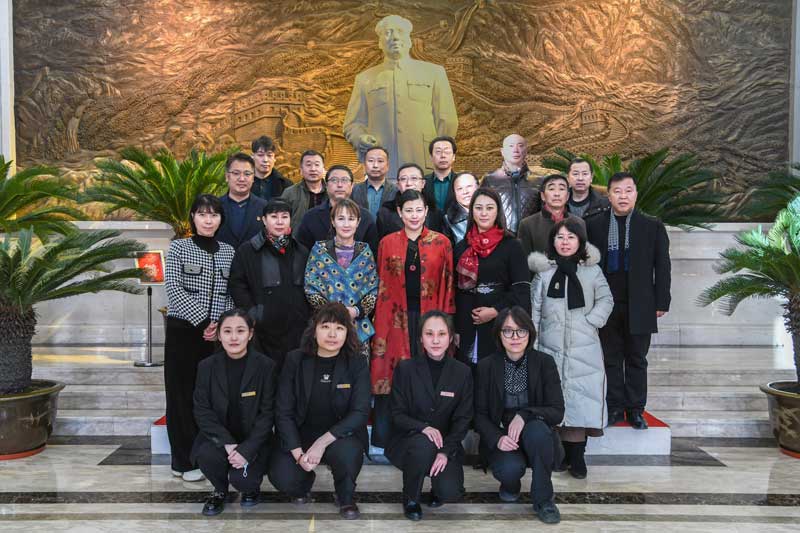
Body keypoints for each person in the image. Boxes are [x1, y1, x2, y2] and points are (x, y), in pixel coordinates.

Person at [585, 172, 671, 429]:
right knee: (610, 358)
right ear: (609, 195)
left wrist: (661, 301)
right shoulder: (594, 225)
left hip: (641, 303)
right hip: (605, 304)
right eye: (617, 191)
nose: (623, 196)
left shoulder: (652, 225)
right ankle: (614, 408)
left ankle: (635, 410)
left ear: (636, 194)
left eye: (628, 190)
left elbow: (662, 266)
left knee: (637, 359)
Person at [268, 303, 370, 520]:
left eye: (340, 328)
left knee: (348, 454)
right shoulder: (295, 359)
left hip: (339, 436)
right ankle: (304, 482)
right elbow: (283, 411)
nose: (332, 334)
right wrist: (298, 453)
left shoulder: (357, 362)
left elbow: (360, 412)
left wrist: (321, 443)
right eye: (325, 327)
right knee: (282, 477)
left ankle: (345, 495)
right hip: (302, 434)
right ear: (314, 331)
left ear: (348, 333)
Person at [529, 219, 613, 479]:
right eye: (560, 237)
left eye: (571, 237)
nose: (565, 242)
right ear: (552, 241)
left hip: (584, 349)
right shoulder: (544, 274)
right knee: (554, 401)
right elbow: (534, 311)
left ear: (580, 241)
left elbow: (606, 300)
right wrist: (533, 343)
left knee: (580, 402)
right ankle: (559, 455)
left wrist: (591, 322)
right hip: (550, 348)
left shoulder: (592, 271)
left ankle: (578, 458)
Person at [371, 189, 455, 447]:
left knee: (428, 373)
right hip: (394, 317)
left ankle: (429, 437)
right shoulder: (387, 243)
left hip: (431, 316)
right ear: (399, 212)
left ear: (426, 211)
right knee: (391, 374)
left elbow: (448, 284)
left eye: (419, 210)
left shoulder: (442, 242)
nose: (414, 215)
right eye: (408, 210)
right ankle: (386, 440)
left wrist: (447, 323)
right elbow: (381, 284)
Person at [164, 194, 235, 482]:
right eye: (203, 214)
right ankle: (182, 461)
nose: (208, 220)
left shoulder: (229, 251)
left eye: (214, 215)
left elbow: (231, 293)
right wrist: (203, 322)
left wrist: (219, 324)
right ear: (193, 217)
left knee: (207, 398)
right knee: (180, 396)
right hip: (183, 333)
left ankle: (204, 455)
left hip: (215, 337)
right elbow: (174, 288)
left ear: (221, 219)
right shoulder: (178, 247)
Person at [474, 306, 565, 524]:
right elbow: (478, 414)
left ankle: (544, 500)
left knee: (538, 431)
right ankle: (510, 484)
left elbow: (557, 411)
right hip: (504, 435)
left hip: (535, 433)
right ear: (499, 334)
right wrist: (497, 438)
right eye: (508, 331)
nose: (515, 337)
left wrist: (525, 414)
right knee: (509, 468)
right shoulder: (486, 366)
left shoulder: (544, 363)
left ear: (530, 333)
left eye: (521, 330)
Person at [343, 14, 458, 182]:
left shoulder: (434, 73)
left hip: (424, 169)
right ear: (380, 42)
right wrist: (361, 139)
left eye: (400, 31)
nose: (395, 37)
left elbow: (447, 119)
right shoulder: (365, 79)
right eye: (388, 32)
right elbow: (353, 124)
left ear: (409, 40)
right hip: (383, 170)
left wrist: (439, 159)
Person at [386, 311, 473, 521]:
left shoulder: (462, 372)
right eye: (429, 334)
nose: (435, 340)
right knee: (423, 445)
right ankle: (411, 498)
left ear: (450, 338)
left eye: (441, 334)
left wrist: (445, 452)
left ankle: (437, 487)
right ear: (421, 338)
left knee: (450, 492)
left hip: (446, 443)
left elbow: (463, 420)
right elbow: (397, 414)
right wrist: (423, 428)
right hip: (410, 441)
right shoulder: (405, 369)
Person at [192, 309, 276, 516]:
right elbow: (202, 410)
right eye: (227, 331)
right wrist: (227, 443)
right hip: (221, 438)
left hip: (254, 439)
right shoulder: (206, 367)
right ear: (219, 335)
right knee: (206, 454)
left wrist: (246, 450)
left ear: (250, 334)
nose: (234, 337)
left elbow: (268, 414)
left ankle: (251, 488)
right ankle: (220, 490)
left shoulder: (266, 366)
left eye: (240, 330)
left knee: (244, 481)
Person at [229, 199, 311, 371]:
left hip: (297, 330)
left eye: (284, 217)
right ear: (264, 220)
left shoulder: (301, 251)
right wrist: (254, 314)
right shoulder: (248, 251)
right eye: (274, 217)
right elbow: (237, 285)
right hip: (263, 332)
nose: (279, 222)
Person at [454, 188, 530, 366]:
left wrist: (495, 311)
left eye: (489, 208)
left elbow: (521, 289)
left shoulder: (512, 245)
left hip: (502, 322)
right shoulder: (462, 247)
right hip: (466, 323)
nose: (484, 213)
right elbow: (455, 292)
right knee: (468, 374)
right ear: (472, 211)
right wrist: (455, 328)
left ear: (498, 211)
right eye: (478, 208)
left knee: (496, 373)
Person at [304, 198, 379, 352]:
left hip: (358, 327)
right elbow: (311, 288)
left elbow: (372, 289)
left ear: (358, 222)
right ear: (333, 221)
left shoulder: (365, 252)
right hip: (327, 325)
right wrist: (334, 312)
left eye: (351, 219)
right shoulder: (320, 250)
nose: (346, 224)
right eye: (341, 218)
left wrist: (355, 311)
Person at [296, 165, 379, 255]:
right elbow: (301, 252)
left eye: (344, 180)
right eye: (334, 180)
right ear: (326, 185)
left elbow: (372, 253)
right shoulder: (311, 217)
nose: (339, 185)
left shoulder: (365, 217)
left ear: (352, 185)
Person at [482, 134, 542, 235]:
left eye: (520, 145)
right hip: (500, 238)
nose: (516, 150)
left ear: (526, 151)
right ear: (502, 152)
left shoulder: (539, 181)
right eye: (511, 146)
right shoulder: (490, 179)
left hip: (530, 238)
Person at [518, 174, 586, 259]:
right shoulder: (527, 224)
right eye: (551, 189)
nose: (557, 194)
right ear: (543, 196)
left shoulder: (579, 223)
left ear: (568, 196)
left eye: (561, 189)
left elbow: (583, 257)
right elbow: (523, 261)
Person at [376, 163, 447, 239]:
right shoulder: (386, 212)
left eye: (414, 178)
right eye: (403, 179)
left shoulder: (435, 212)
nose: (409, 183)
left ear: (423, 183)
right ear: (398, 185)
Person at [216, 153, 268, 249]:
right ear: (227, 176)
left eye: (247, 174)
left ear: (253, 177)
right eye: (236, 173)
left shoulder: (264, 207)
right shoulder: (215, 207)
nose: (242, 179)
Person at [281, 150, 327, 234]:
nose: (313, 169)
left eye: (317, 165)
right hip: (297, 240)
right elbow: (280, 220)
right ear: (301, 170)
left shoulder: (332, 192)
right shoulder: (290, 193)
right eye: (308, 165)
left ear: (323, 169)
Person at [351, 146, 397, 218]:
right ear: (364, 165)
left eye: (380, 161)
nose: (375, 165)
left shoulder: (396, 191)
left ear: (387, 166)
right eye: (371, 161)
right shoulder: (354, 190)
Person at [423, 136, 457, 212]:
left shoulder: (461, 182)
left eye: (447, 152)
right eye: (438, 152)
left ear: (453, 157)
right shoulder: (423, 182)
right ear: (431, 157)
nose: (443, 156)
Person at [443, 172, 477, 245]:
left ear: (478, 187)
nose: (465, 192)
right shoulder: (448, 220)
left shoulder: (492, 212)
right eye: (460, 189)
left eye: (469, 186)